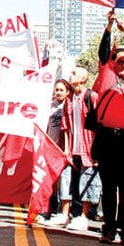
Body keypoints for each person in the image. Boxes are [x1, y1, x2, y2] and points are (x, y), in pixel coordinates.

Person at [91, 9, 124, 246]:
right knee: (109, 186)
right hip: (106, 139)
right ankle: (108, 230)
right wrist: (110, 27)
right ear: (112, 63)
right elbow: (103, 52)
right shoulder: (107, 75)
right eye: (119, 60)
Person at [63, 66, 97, 231]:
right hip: (73, 149)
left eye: (74, 73)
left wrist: (98, 151)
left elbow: (99, 124)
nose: (71, 75)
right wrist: (67, 149)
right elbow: (66, 126)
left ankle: (84, 216)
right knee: (73, 182)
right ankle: (71, 214)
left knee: (86, 181)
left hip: (89, 149)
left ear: (84, 79)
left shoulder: (91, 97)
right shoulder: (68, 99)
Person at [38, 79, 74, 226]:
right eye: (56, 89)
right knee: (50, 181)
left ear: (67, 92)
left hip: (63, 150)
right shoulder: (50, 106)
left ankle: (63, 212)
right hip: (50, 148)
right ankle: (48, 210)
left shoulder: (69, 106)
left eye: (61, 90)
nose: (58, 92)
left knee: (63, 181)